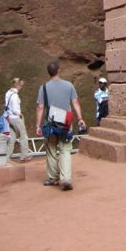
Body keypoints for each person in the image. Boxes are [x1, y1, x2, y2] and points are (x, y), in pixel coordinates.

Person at [35, 60, 86, 191]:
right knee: (65, 149)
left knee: (51, 150)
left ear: (48, 73)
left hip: (50, 123)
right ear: (59, 70)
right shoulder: (68, 85)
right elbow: (75, 103)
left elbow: (40, 107)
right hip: (65, 123)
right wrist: (80, 118)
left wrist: (38, 125)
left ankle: (53, 178)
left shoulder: (44, 88)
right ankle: (66, 178)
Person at [5, 77, 32, 162]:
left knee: (12, 138)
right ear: (17, 85)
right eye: (21, 85)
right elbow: (15, 110)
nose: (21, 87)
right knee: (23, 136)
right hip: (15, 118)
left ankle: (6, 157)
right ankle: (24, 156)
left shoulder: (8, 93)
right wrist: (20, 114)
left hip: (8, 118)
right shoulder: (15, 96)